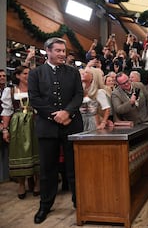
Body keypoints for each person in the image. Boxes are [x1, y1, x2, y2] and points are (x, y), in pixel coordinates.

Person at [28, 37, 83, 224]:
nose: (62, 54)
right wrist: (54, 115)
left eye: (63, 50)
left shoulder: (73, 72)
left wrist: (67, 112)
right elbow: (34, 99)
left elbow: (78, 95)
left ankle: (80, 203)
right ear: (48, 52)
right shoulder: (35, 74)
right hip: (47, 127)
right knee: (47, 169)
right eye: (58, 50)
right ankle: (45, 205)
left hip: (71, 125)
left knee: (74, 168)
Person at [1, 66, 40, 199]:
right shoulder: (10, 91)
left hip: (34, 122)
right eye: (25, 73)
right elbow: (7, 111)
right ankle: (21, 184)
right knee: (18, 152)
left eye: (29, 73)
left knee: (37, 151)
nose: (28, 76)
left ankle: (38, 182)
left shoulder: (36, 89)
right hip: (17, 124)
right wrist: (5, 129)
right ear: (17, 75)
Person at [80, 67, 111, 131]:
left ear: (93, 76)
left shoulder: (99, 92)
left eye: (86, 72)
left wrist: (103, 123)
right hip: (80, 122)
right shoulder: (80, 91)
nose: (83, 74)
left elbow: (107, 109)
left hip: (93, 122)